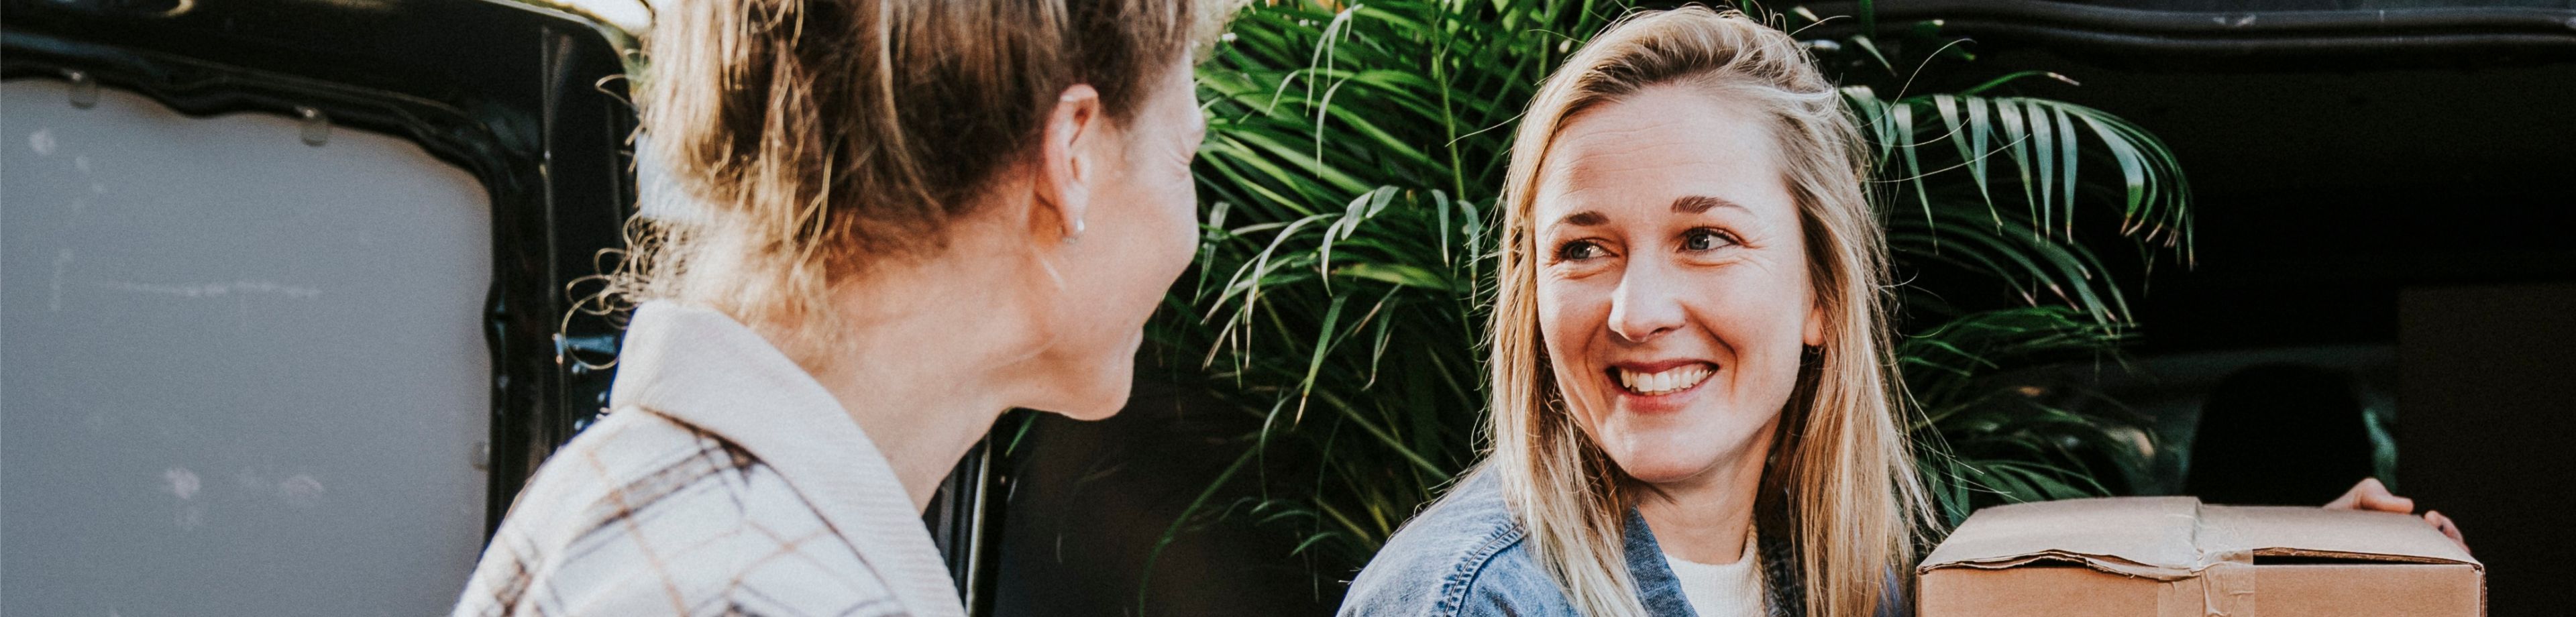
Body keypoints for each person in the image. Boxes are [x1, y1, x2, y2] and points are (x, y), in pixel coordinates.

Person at [1335, 7, 2462, 617]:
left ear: (1823, 292)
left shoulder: (1835, 578)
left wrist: (2296, 571)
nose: (1635, 309)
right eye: (1583, 249)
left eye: (1706, 238)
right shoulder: (1471, 601)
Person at [449, 0, 1216, 615]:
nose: (1190, 227)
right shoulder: (758, 591)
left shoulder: (627, 489)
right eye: (1183, 157)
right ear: (1072, 154)